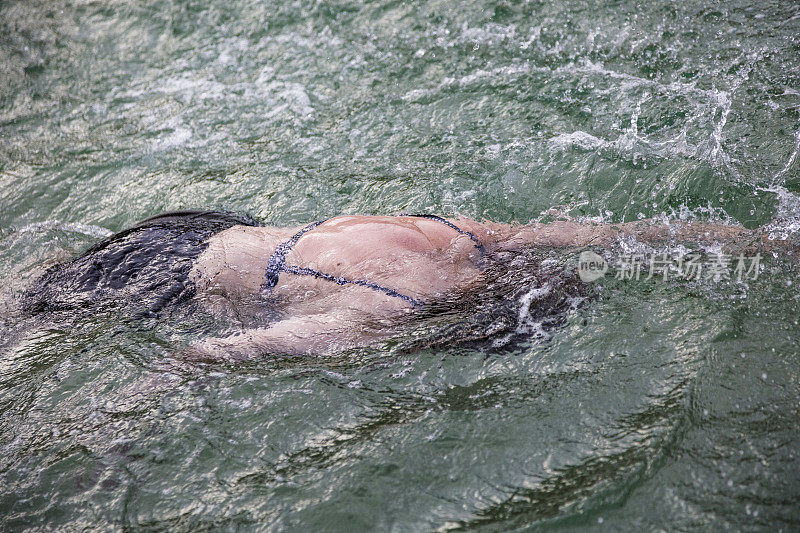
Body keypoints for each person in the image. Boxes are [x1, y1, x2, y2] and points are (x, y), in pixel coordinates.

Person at [24, 210, 788, 360]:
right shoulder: (388, 309)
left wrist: (760, 240)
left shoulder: (449, 236)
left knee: (27, 290)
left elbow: (592, 230)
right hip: (164, 279)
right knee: (31, 320)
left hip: (197, 225)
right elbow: (204, 352)